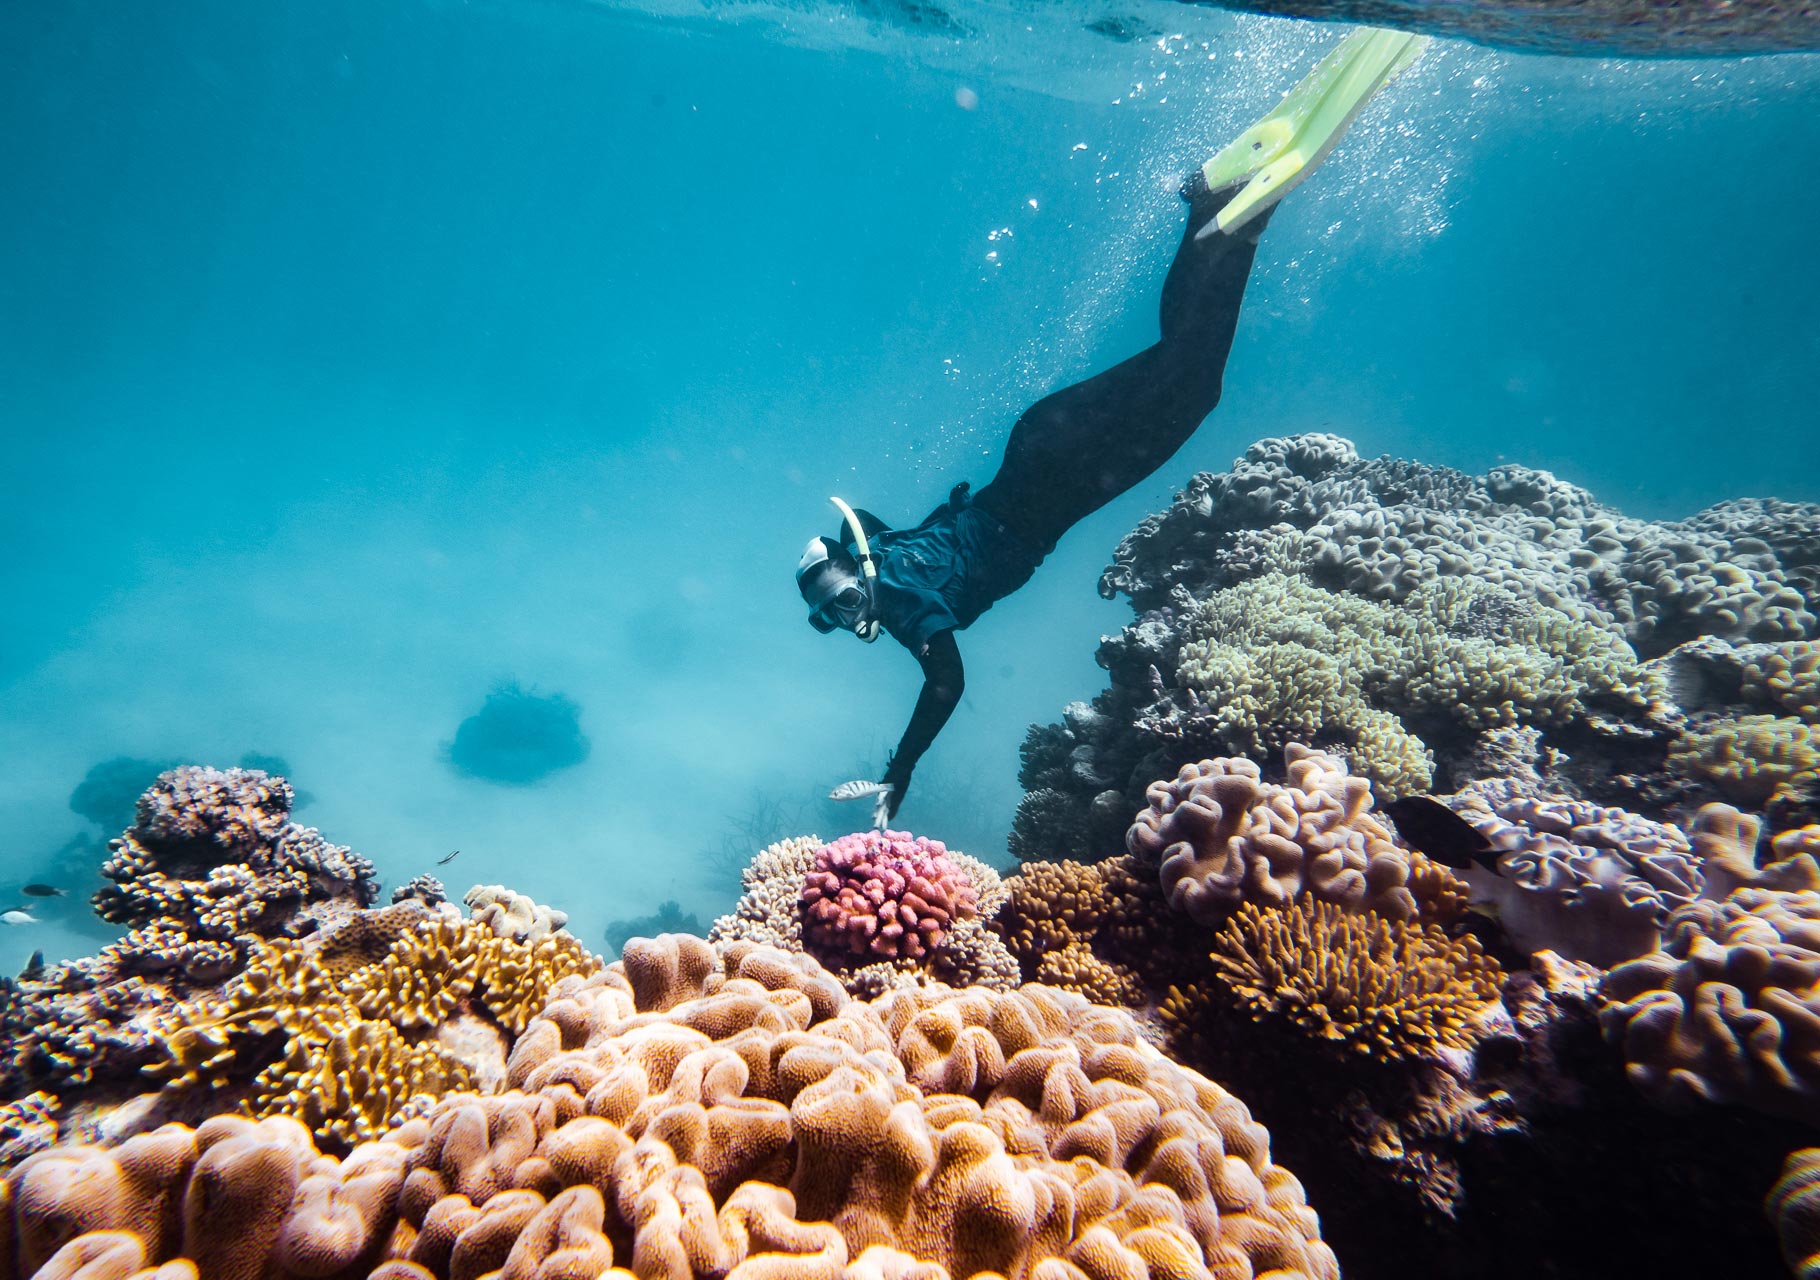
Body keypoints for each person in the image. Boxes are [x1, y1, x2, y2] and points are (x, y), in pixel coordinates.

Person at [795, 28, 1427, 825]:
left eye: (842, 599)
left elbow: (947, 683)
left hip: (1062, 471)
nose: (850, 617)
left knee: (1191, 381)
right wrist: (847, 548)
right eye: (833, 618)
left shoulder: (906, 609)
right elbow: (870, 524)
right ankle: (1222, 212)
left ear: (857, 576)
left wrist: (903, 768)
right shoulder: (883, 556)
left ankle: (1216, 209)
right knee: (1187, 374)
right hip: (1042, 443)